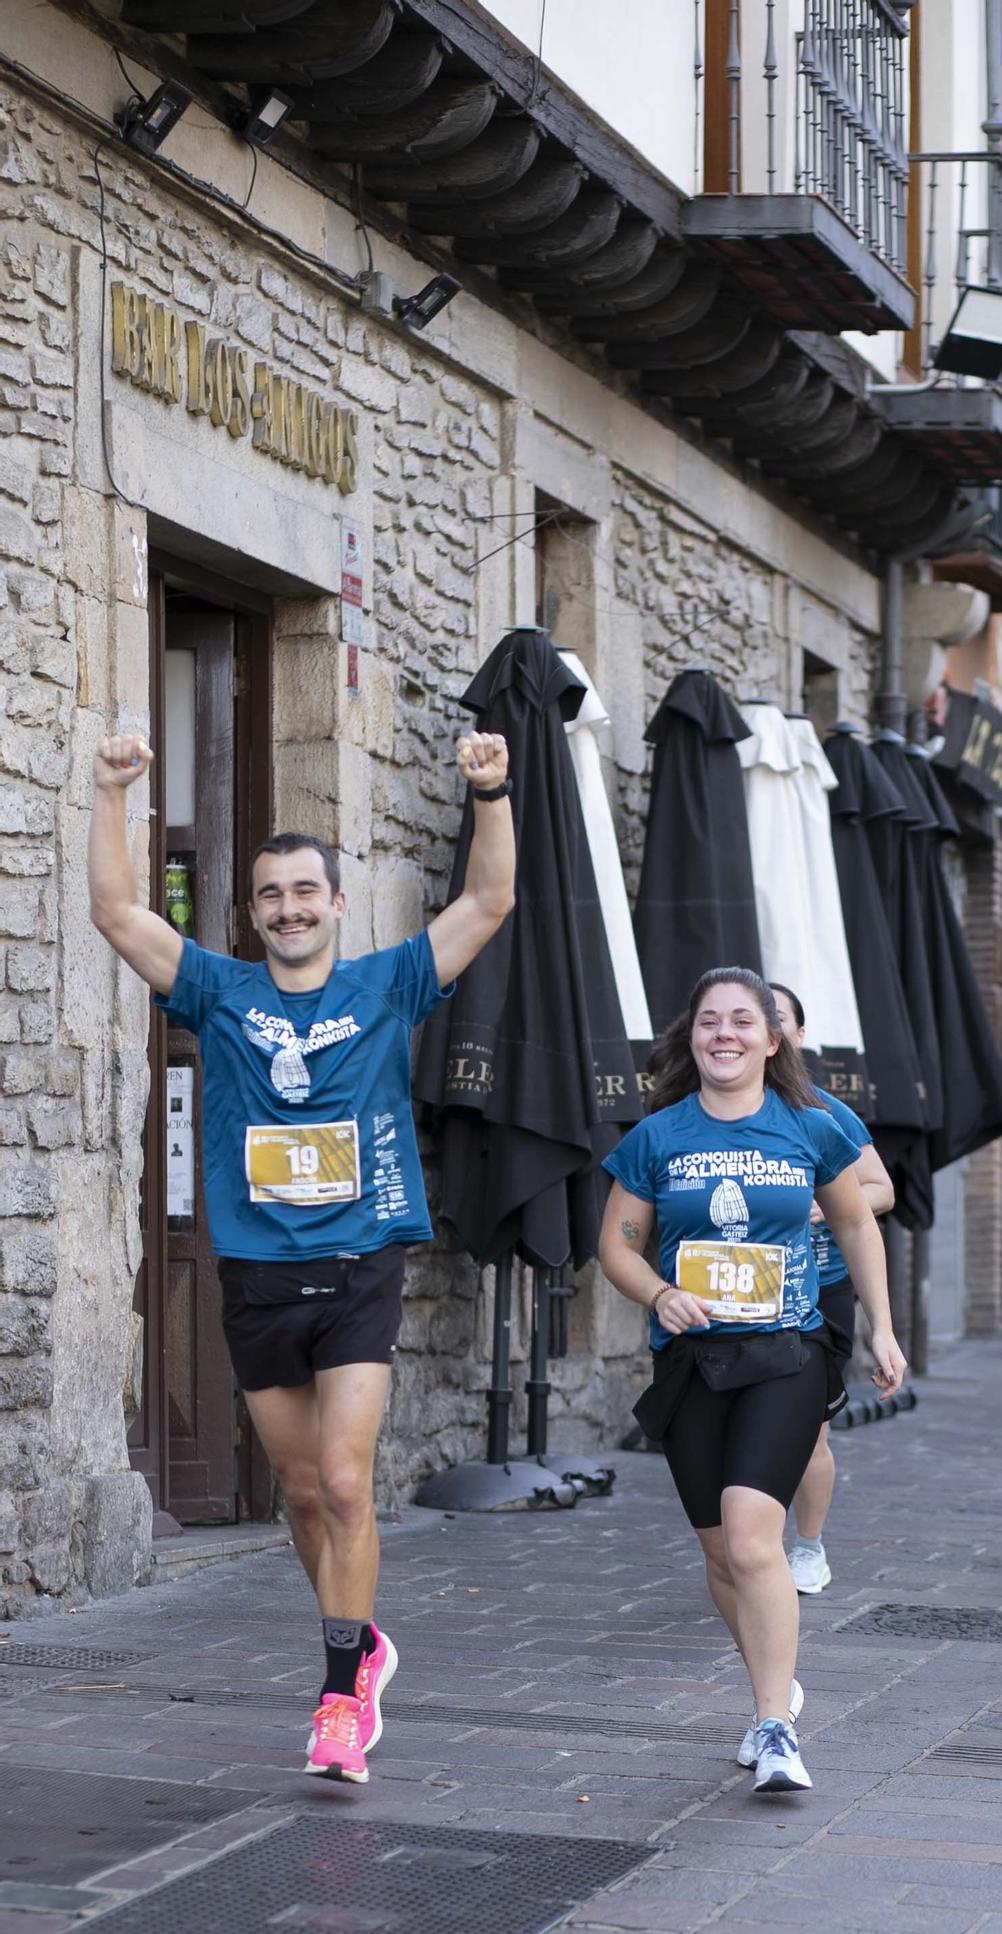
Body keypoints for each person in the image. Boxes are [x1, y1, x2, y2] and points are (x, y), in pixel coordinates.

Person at [89, 729, 515, 1780]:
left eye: (303, 890)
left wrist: (494, 791)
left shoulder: (387, 983)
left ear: (334, 901)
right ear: (254, 911)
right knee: (300, 1488)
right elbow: (114, 913)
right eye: (269, 893)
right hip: (256, 1275)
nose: (287, 906)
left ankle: (338, 1693)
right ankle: (357, 1634)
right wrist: (108, 792)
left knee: (345, 1474)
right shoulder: (217, 991)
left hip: (361, 1260)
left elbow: (488, 902)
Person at [598, 968, 906, 1795]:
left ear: (773, 1041)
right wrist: (658, 1292)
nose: (724, 1034)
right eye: (709, 1021)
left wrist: (878, 1323)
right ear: (689, 1037)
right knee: (719, 1557)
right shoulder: (658, 1137)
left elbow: (853, 1220)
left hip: (786, 1355)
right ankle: (774, 1680)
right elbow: (618, 1245)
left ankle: (775, 1728)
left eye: (743, 1021)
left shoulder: (809, 1127)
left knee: (748, 1537)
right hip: (693, 1362)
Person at [770, 983, 895, 1594]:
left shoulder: (822, 1111)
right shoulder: (707, 1112)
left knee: (808, 1427)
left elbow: (880, 1191)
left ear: (794, 1037)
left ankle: (808, 1546)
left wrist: (824, 1208)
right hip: (737, 1296)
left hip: (820, 1290)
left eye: (776, 1018)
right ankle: (750, 1543)